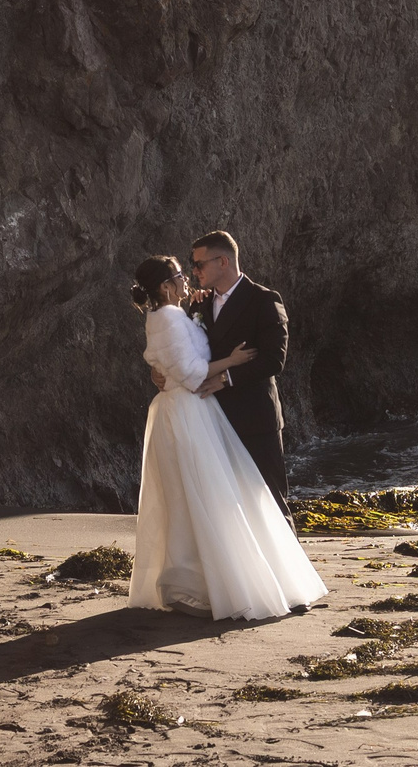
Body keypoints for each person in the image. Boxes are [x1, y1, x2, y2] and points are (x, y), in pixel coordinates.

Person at [126, 255, 327, 621]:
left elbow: (174, 361)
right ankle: (217, 583)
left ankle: (205, 578)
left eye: (191, 270)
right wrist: (232, 361)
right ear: (166, 287)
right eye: (181, 275)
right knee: (212, 497)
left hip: (191, 411)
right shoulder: (168, 317)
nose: (189, 278)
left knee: (203, 499)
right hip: (188, 413)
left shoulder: (175, 314)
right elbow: (190, 373)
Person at [188, 231, 290, 511]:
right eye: (193, 265)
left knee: (270, 504)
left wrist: (226, 378)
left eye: (199, 264)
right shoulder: (199, 304)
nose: (194, 271)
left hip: (255, 420)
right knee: (225, 509)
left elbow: (274, 360)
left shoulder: (264, 300)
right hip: (212, 418)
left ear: (223, 261)